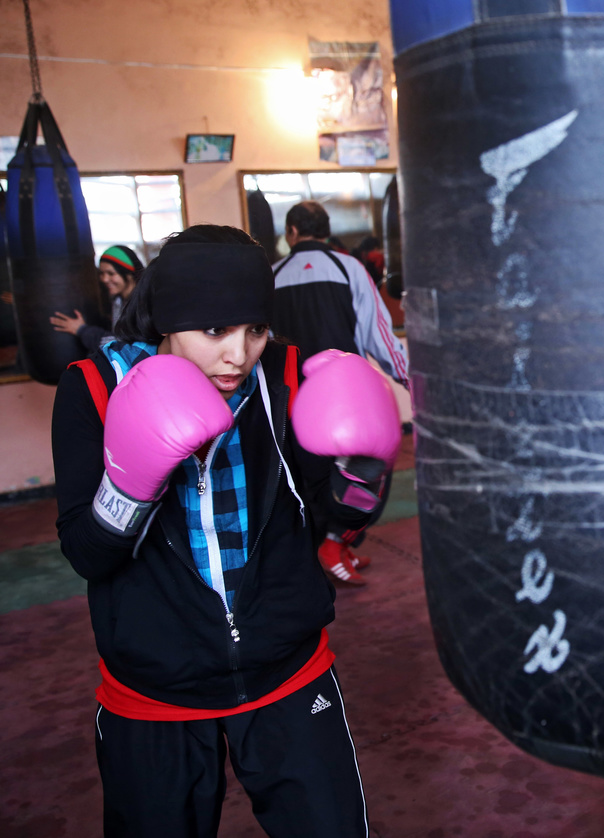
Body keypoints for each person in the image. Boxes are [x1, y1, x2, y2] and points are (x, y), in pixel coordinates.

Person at [51, 225, 402, 837]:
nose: (238, 355)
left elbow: (337, 515)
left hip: (288, 671)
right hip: (153, 689)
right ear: (167, 320)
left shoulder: (287, 375)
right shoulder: (94, 390)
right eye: (214, 331)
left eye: (255, 330)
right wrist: (131, 486)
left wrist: (364, 473)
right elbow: (87, 553)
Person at [272, 201, 410, 586]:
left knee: (305, 481)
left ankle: (334, 548)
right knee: (364, 478)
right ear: (326, 229)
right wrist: (412, 383)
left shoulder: (272, 275)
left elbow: (260, 341)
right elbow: (380, 336)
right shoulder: (350, 269)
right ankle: (333, 545)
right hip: (349, 400)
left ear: (291, 233)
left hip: (293, 401)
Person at [49, 245, 145, 351]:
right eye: (102, 273)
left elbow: (123, 344)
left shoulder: (142, 304)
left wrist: (82, 330)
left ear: (129, 274)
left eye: (111, 273)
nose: (104, 279)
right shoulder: (118, 301)